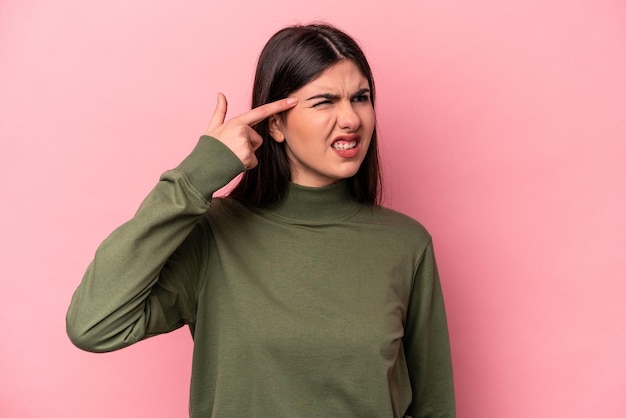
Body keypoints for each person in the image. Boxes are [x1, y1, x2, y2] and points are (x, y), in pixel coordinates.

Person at [66, 23, 456, 417]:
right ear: (275, 124)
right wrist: (197, 175)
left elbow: (433, 404)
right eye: (324, 101)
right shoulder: (214, 236)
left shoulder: (405, 244)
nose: (351, 118)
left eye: (361, 97)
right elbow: (93, 323)